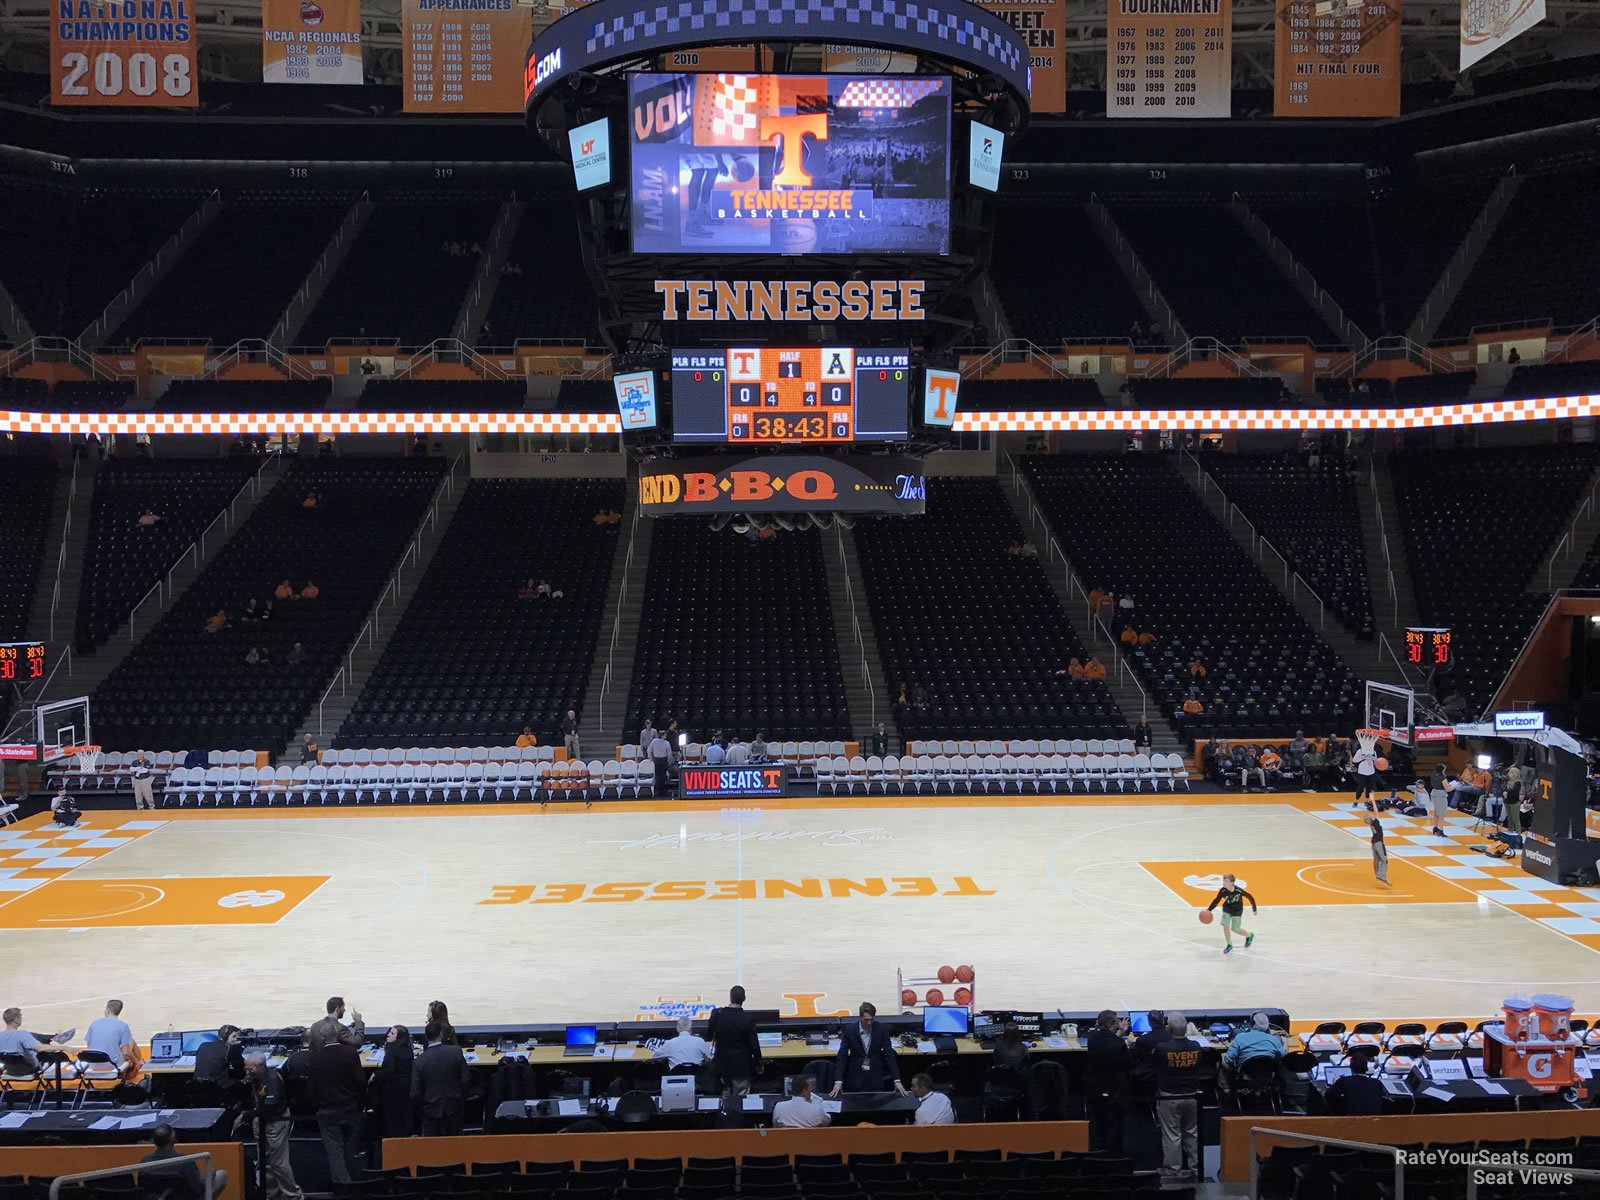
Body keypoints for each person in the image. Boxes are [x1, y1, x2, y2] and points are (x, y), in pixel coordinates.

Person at [309, 1032, 365, 1185]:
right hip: (351, 1108)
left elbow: (312, 1088)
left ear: (321, 1038)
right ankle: (360, 1184)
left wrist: (318, 1106)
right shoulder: (350, 1053)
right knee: (352, 1149)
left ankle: (344, 1188)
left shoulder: (315, 1058)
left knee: (335, 1153)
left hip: (327, 1111)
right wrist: (360, 1103)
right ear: (339, 1036)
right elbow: (360, 1081)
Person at [246, 1051, 302, 1200]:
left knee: (278, 1162)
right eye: (246, 1068)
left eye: (250, 1069)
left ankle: (293, 1195)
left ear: (261, 1066)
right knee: (265, 1161)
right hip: (261, 1119)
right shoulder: (254, 1077)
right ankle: (272, 1195)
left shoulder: (272, 1079)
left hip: (275, 1121)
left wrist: (249, 1115)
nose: (247, 1072)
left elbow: (269, 1108)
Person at [1153, 1012, 1202, 1182]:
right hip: (1193, 1097)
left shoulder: (1162, 1048)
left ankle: (1173, 1169)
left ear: (1169, 1028)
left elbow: (1155, 1066)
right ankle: (1197, 1167)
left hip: (1169, 1097)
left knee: (1172, 1134)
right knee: (1192, 1133)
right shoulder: (1196, 1047)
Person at [831, 1002, 906, 1096]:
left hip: (876, 1078)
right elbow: (842, 1056)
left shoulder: (881, 1029)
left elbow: (889, 1055)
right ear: (860, 1017)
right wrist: (838, 1081)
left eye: (871, 1019)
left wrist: (897, 1080)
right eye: (866, 1020)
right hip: (856, 1079)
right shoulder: (850, 1030)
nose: (869, 1023)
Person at [412, 1020, 470, 1137]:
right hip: (454, 1107)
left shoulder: (419, 1062)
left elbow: (415, 1092)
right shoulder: (455, 1052)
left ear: (426, 1037)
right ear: (441, 1034)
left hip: (430, 1111)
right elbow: (466, 1079)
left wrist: (423, 1109)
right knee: (456, 1147)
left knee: (432, 1150)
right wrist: (459, 1097)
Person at [1083, 1010, 1129, 1154]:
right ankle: (1114, 1156)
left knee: (1097, 1124)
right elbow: (1128, 1064)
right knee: (1114, 1126)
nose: (1119, 1023)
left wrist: (1119, 1034)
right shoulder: (1119, 1045)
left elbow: (1107, 1042)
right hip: (1113, 1092)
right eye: (1116, 1022)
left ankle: (1097, 1152)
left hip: (1094, 1090)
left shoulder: (1092, 1038)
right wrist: (1122, 1037)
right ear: (1111, 1024)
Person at [141, 1123, 228, 1198]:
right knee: (221, 1175)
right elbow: (198, 1189)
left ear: (154, 1141)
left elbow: (143, 1189)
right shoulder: (185, 1161)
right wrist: (208, 1178)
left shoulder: (145, 1161)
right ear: (173, 1139)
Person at [706, 985, 761, 1099]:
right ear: (744, 999)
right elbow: (754, 1045)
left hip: (722, 1065)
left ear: (730, 997)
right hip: (741, 1067)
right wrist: (758, 1063)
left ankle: (725, 1116)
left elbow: (709, 1037)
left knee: (724, 1099)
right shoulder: (747, 1019)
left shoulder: (717, 1014)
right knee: (741, 1100)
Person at [371, 1025, 414, 1139]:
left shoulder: (391, 1048)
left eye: (392, 1033)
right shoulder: (409, 1049)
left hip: (392, 1090)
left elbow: (390, 1069)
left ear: (399, 1037)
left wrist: (375, 1074)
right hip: (406, 1088)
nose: (388, 1034)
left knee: (391, 1119)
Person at [1223, 1012, 1283, 1088]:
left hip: (1246, 1075)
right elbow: (1285, 1058)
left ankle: (1226, 1088)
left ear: (1251, 1023)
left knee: (1223, 1057)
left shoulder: (1240, 1037)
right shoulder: (1274, 1039)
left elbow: (1229, 1059)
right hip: (1267, 1075)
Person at [0, 1008, 70, 1069]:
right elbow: (41, 1048)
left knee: (30, 1036)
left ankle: (53, 1037)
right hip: (29, 1069)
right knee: (59, 1055)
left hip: (9, 1070)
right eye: (21, 1017)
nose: (21, 1019)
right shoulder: (23, 1034)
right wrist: (64, 1047)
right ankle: (55, 1037)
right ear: (16, 1020)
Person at [1206, 873, 1257, 954]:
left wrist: (1254, 909)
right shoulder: (1223, 890)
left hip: (1237, 910)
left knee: (1235, 929)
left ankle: (1249, 935)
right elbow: (1217, 900)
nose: (1223, 883)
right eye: (1223, 881)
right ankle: (1229, 945)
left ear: (1232, 883)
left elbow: (1250, 897)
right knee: (1225, 925)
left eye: (1226, 881)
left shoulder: (1238, 891)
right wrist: (1209, 910)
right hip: (1227, 909)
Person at [85, 1000, 133, 1073]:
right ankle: (137, 1066)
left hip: (93, 1064)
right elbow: (126, 1053)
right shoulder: (123, 1026)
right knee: (132, 1045)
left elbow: (89, 1046)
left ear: (107, 1011)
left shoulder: (94, 1024)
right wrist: (133, 1060)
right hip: (113, 1066)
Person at [193, 1025, 244, 1092]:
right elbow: (239, 1067)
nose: (236, 1039)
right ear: (225, 1037)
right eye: (234, 1036)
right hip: (216, 1090)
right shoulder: (228, 1050)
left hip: (196, 1089)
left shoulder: (203, 1045)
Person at [1351, 736, 1379, 815]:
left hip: (1371, 771)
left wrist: (1373, 759)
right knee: (1360, 787)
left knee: (1370, 788)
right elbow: (1354, 760)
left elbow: (1376, 761)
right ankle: (1356, 801)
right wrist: (1363, 758)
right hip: (1362, 771)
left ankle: (1367, 801)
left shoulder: (1373, 751)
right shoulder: (1360, 751)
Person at [648, 727, 674, 796]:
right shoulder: (666, 743)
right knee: (662, 776)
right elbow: (669, 753)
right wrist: (670, 761)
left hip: (656, 760)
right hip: (663, 760)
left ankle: (657, 790)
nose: (666, 736)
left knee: (657, 775)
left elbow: (649, 750)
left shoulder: (654, 741)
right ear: (662, 735)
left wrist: (650, 758)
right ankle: (662, 790)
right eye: (665, 735)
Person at [1367, 816, 1390, 885]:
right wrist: (1374, 804)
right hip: (1379, 843)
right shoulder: (1375, 822)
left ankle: (1377, 875)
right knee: (1384, 860)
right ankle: (1382, 877)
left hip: (1373, 843)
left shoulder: (1371, 824)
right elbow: (1376, 812)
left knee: (1376, 859)